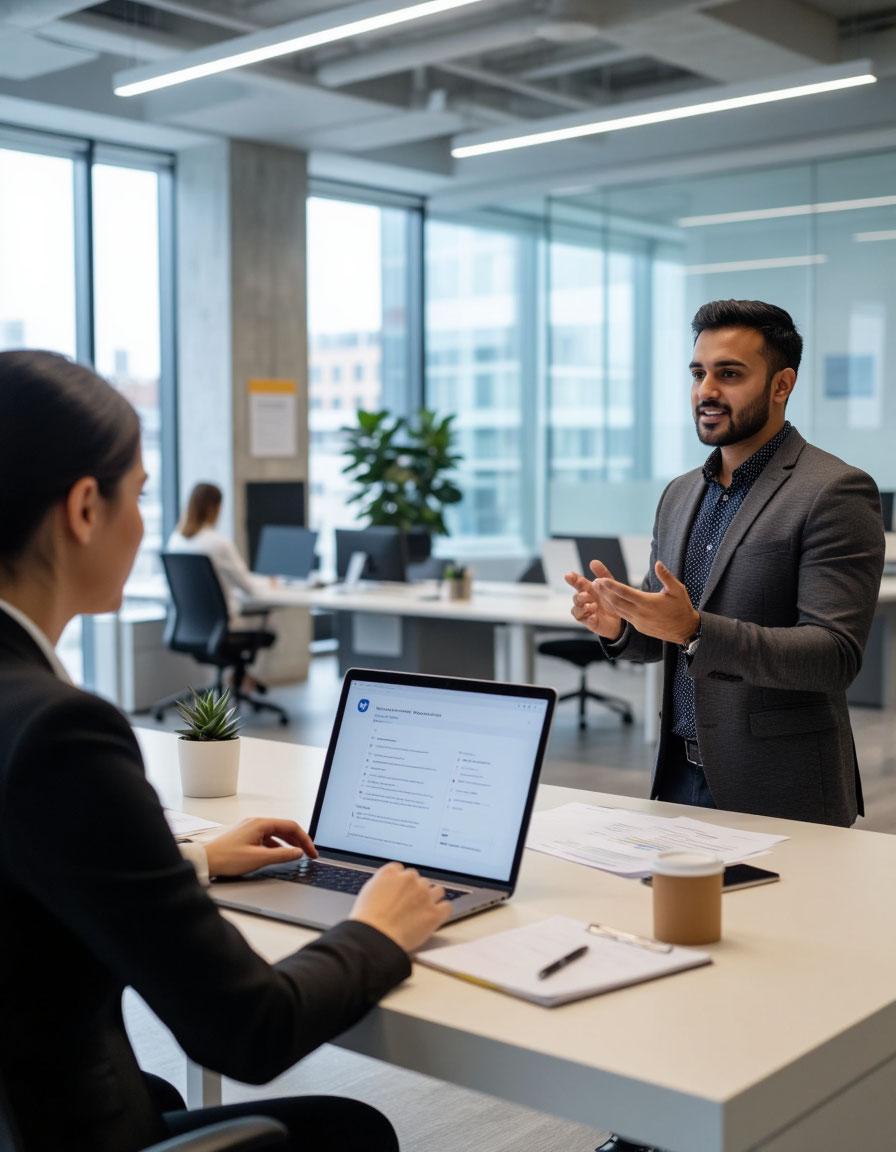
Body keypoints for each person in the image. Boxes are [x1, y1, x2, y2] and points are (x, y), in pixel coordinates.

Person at [0, 349, 450, 1152]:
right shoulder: (61, 734)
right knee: (351, 1134)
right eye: (141, 495)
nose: (146, 523)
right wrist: (378, 930)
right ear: (84, 509)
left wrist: (197, 861)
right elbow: (247, 1029)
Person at [566, 299, 885, 829]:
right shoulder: (679, 494)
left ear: (781, 385)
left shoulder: (834, 491)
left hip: (780, 787)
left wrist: (694, 629)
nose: (706, 391)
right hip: (675, 779)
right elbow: (664, 632)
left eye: (729, 374)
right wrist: (620, 625)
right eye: (699, 373)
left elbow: (833, 656)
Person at [167, 481, 267, 623]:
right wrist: (267, 584)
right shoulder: (219, 543)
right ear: (215, 508)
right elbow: (247, 586)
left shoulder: (175, 540)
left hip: (188, 624)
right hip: (222, 624)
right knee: (268, 625)